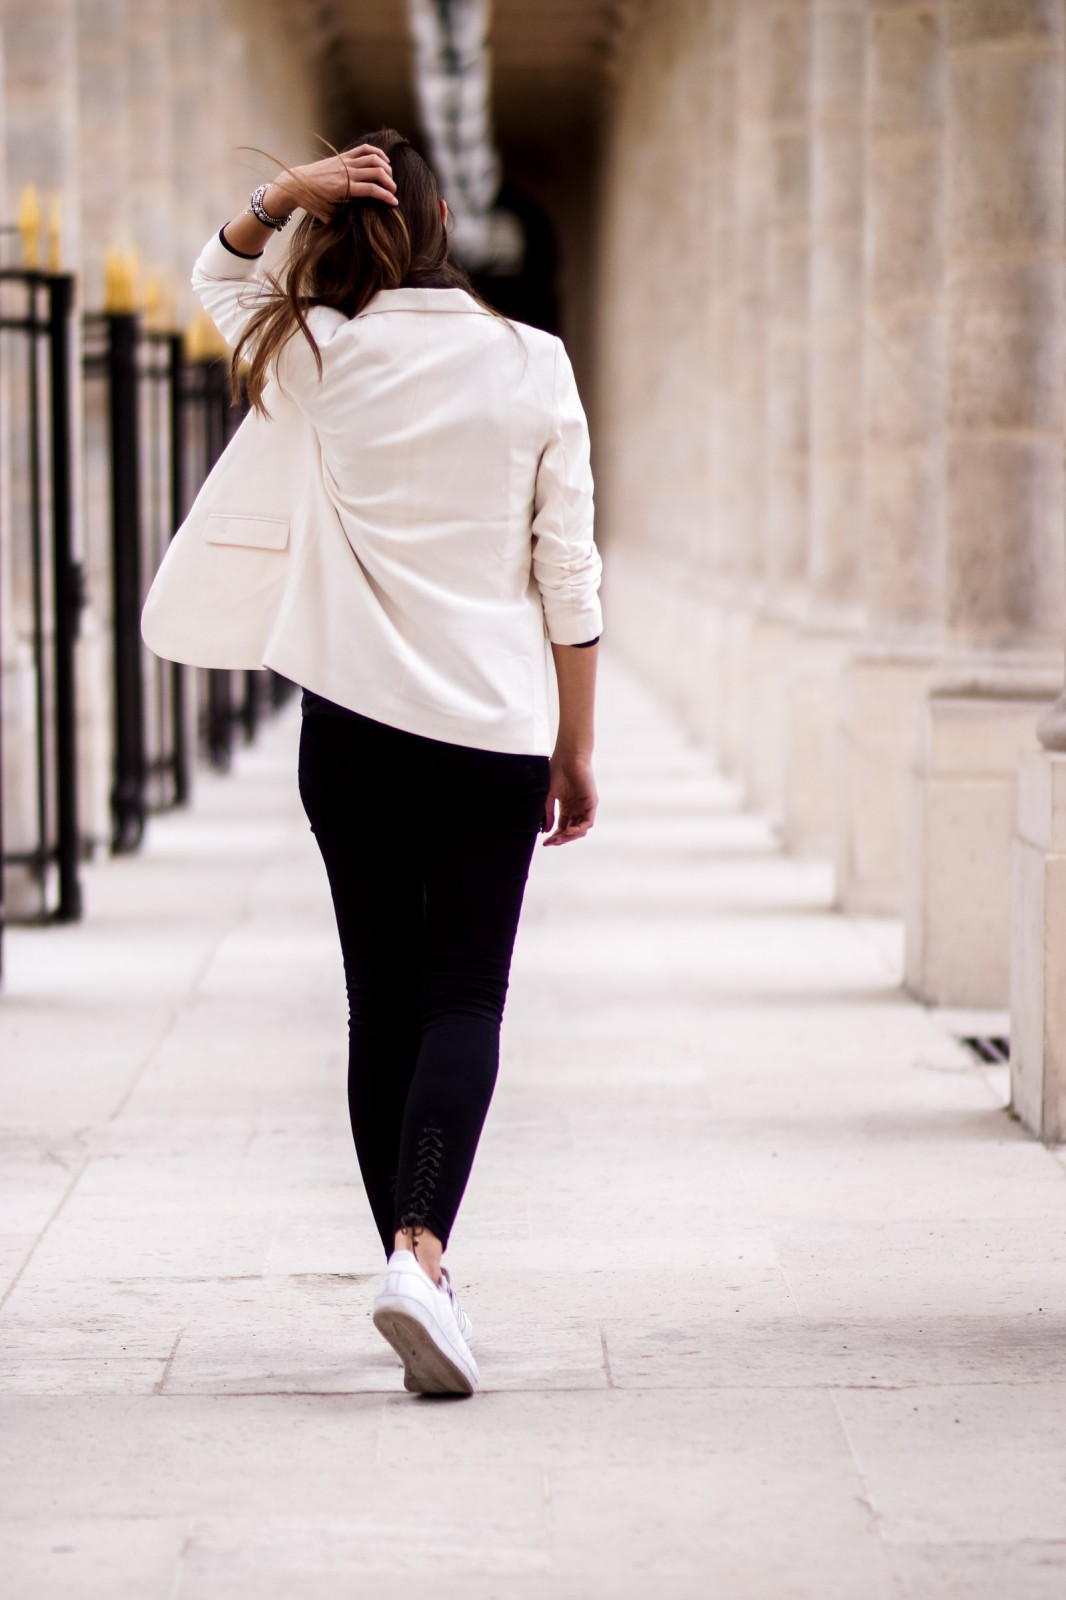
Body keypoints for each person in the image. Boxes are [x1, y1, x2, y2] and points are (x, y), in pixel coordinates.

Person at [185, 132, 602, 1397]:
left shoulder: (317, 354)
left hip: (351, 735)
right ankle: (422, 1257)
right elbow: (567, 574)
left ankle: (414, 1266)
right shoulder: (532, 362)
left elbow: (219, 285)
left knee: (381, 1002)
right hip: (486, 732)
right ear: (444, 230)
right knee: (464, 997)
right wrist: (575, 745)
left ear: (348, 228)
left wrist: (278, 198)